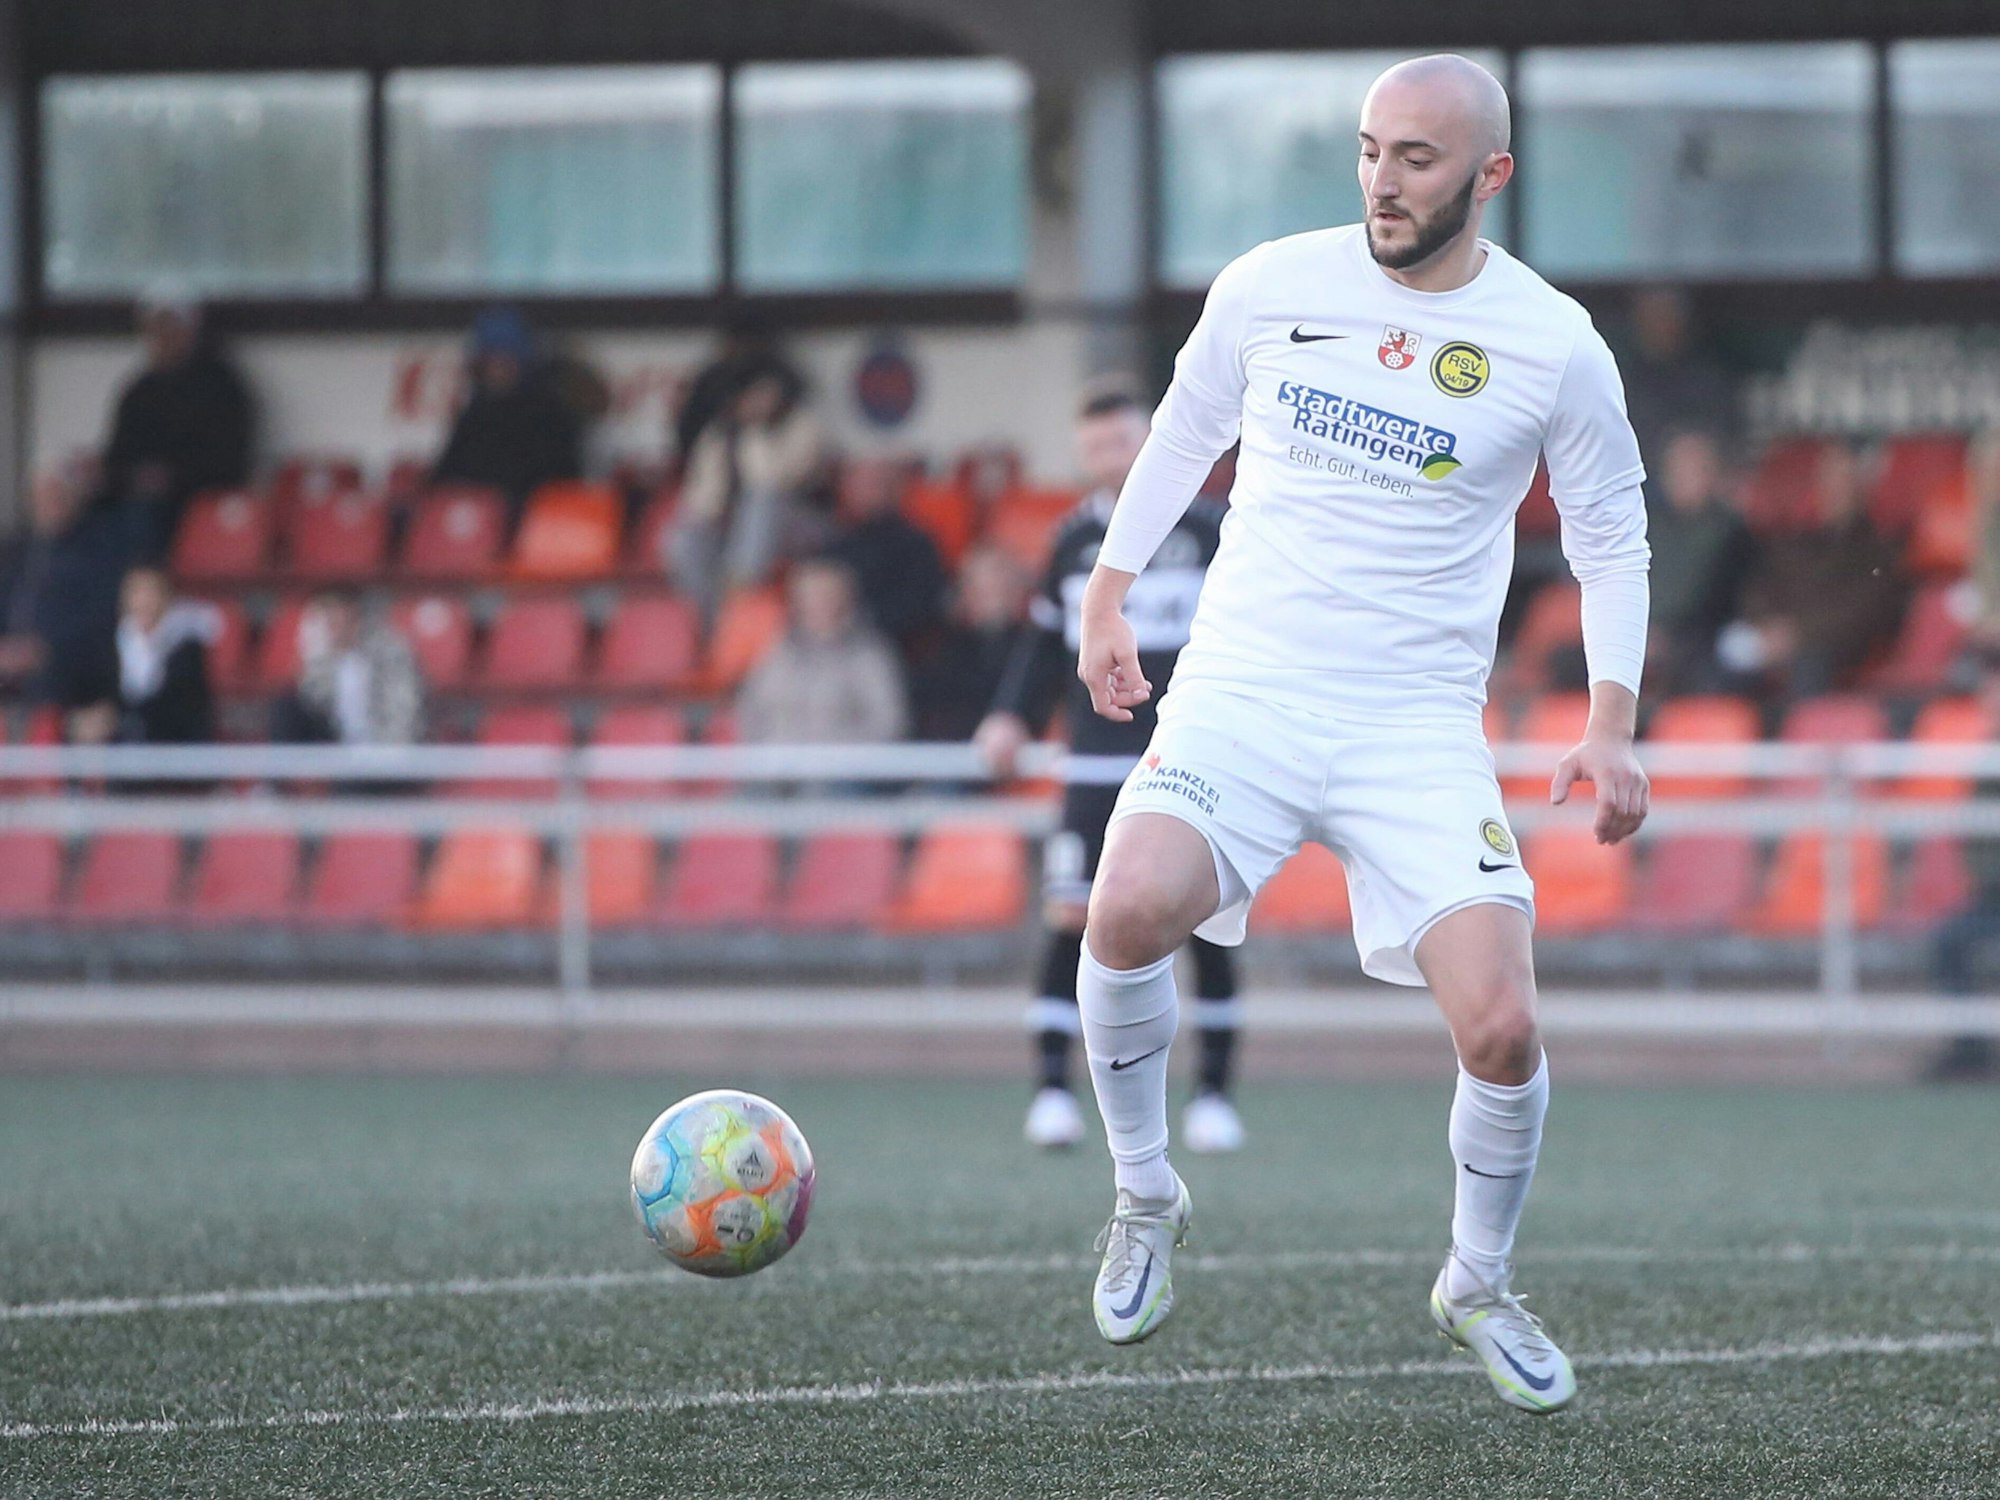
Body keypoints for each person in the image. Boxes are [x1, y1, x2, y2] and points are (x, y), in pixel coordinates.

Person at [1067, 57, 1651, 1416]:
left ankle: (1476, 1283)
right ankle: (1145, 1195)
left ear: (1491, 175)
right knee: (1127, 902)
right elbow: (1182, 432)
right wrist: (1106, 593)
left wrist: (1610, 720)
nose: (1383, 181)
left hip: (1414, 728)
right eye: (1370, 150)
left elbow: (1612, 533)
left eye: (1417, 158)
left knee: (1502, 1026)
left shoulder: (1554, 342)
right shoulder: (1268, 283)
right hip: (1245, 692)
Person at [975, 383, 1243, 1155]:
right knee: (1072, 921)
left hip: (1190, 763)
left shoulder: (1211, 529)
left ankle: (1214, 1098)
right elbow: (1043, 647)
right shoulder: (1071, 541)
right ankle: (1053, 1093)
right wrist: (1011, 717)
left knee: (1206, 925)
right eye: (1092, 446)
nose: (1107, 457)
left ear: (1150, 437)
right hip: (1094, 767)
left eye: (1120, 440)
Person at [1719, 441, 1907, 702]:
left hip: (1834, 646)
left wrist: (1797, 633)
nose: (1837, 488)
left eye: (1846, 479)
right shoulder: (1798, 541)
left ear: (1865, 486)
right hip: (1777, 638)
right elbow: (1761, 587)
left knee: (1810, 666)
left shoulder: (1880, 548)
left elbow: (1864, 611)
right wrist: (1766, 626)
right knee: (1723, 662)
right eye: (1829, 479)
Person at [98, 296, 255, 561]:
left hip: (196, 497)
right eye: (155, 331)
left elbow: (229, 460)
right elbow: (117, 457)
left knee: (141, 519)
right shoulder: (139, 391)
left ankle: (146, 582)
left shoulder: (222, 388)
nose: (162, 339)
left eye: (171, 329)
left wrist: (171, 478)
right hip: (136, 497)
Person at [670, 374, 831, 625]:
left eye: (765, 394)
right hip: (739, 532)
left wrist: (754, 434)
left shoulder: (800, 424)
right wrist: (707, 515)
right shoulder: (721, 432)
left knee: (761, 504)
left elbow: (771, 481)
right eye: (752, 395)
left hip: (802, 524)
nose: (759, 401)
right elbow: (703, 494)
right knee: (686, 536)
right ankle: (710, 619)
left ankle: (739, 599)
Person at [0, 470, 133, 722]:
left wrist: (44, 648)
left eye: (58, 496)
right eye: (43, 497)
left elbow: (99, 614)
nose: (51, 504)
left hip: (69, 661)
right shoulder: (15, 550)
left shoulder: (97, 550)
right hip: (10, 658)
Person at [432, 308, 584, 521]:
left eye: (504, 363)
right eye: (488, 364)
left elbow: (563, 484)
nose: (495, 372)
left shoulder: (549, 416)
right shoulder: (475, 416)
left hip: (533, 523)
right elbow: (444, 480)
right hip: (476, 523)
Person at [736, 558, 906, 748]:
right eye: (810, 595)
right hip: (778, 760)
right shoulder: (775, 650)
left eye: (826, 594)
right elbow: (749, 710)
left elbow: (889, 722)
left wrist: (838, 752)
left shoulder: (868, 654)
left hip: (843, 763)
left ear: (845, 598)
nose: (818, 602)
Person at [1644, 428, 1757, 697]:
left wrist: (1664, 633)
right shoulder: (1648, 526)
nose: (1684, 477)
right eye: (1677, 469)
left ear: (1714, 474)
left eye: (1696, 468)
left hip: (1702, 637)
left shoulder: (1732, 531)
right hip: (1641, 632)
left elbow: (1714, 599)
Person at [824, 456, 947, 659]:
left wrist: (865, 621)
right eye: (858, 484)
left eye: (874, 484)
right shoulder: (834, 544)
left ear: (893, 489)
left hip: (895, 649)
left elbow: (921, 603)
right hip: (833, 648)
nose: (864, 492)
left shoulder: (916, 544)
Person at [269, 589, 425, 748]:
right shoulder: (320, 657)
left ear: (354, 616)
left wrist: (382, 753)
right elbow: (315, 703)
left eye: (335, 615)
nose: (329, 623)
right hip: (336, 747)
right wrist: (317, 657)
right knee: (286, 706)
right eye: (323, 616)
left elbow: (402, 713)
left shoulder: (389, 652)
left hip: (382, 746)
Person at [912, 543, 1030, 745]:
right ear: (965, 593)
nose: (994, 600)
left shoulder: (1036, 652)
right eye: (984, 590)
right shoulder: (941, 653)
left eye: (1001, 588)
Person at [111, 566, 217, 747]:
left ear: (165, 597)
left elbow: (182, 707)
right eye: (136, 592)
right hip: (124, 742)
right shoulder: (114, 642)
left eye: (150, 592)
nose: (144, 601)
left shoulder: (187, 647)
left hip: (173, 744)